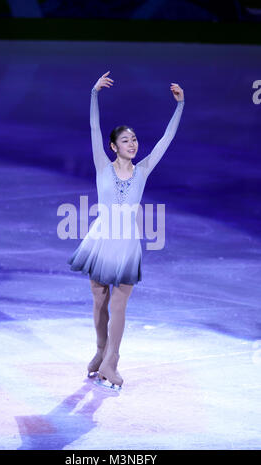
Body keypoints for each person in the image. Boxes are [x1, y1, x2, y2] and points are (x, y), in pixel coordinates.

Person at [68, 71, 184, 389]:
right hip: (101, 239)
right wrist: (93, 94)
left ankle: (111, 361)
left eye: (134, 139)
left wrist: (180, 105)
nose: (132, 144)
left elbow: (166, 140)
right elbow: (93, 126)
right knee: (99, 300)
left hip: (127, 243)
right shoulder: (102, 166)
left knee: (119, 303)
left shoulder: (143, 170)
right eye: (125, 140)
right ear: (112, 146)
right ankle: (99, 352)